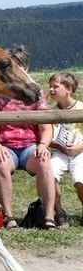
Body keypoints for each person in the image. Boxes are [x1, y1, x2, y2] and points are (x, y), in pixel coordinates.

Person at [0, 45, 56, 229]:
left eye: (20, 66)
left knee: (44, 162)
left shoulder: (37, 92)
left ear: (26, 68)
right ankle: (8, 216)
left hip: (30, 146)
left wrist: (43, 145)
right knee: (1, 162)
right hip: (4, 144)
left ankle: (49, 215)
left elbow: (46, 127)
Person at [48, 71, 83, 227]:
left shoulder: (81, 108)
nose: (51, 90)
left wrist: (78, 147)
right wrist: (58, 145)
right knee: (51, 174)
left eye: (55, 86)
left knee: (81, 180)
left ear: (68, 88)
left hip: (80, 151)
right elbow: (46, 136)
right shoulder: (49, 112)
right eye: (50, 87)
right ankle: (59, 211)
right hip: (58, 152)